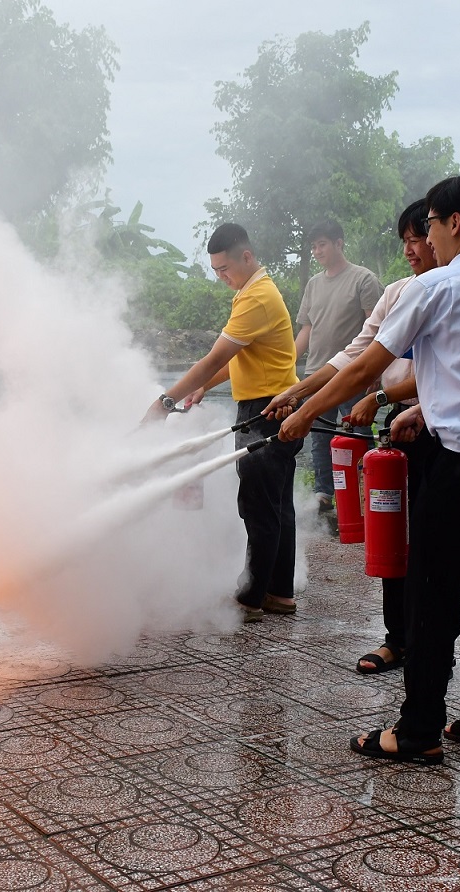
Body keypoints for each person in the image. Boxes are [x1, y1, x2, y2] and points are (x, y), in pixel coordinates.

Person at [279, 174, 460, 764]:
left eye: (429, 222)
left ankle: (419, 728)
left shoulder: (436, 287)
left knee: (432, 592)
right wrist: (426, 408)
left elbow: (364, 368)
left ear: (455, 223)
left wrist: (305, 411)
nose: (424, 234)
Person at [265, 200, 435, 675]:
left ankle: (430, 645)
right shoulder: (399, 291)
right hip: (400, 421)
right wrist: (296, 390)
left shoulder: (449, 291)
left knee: (432, 542)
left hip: (436, 422)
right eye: (404, 240)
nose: (410, 249)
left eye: (418, 237)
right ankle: (397, 639)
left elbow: (429, 374)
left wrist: (371, 398)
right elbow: (354, 353)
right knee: (391, 532)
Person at [144, 223, 303, 621]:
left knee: (258, 507)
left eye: (224, 269)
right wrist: (201, 389)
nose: (222, 278)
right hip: (275, 405)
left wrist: (164, 402)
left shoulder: (256, 298)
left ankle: (250, 598)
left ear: (246, 257)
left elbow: (214, 358)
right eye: (215, 271)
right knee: (277, 505)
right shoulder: (254, 292)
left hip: (265, 411)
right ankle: (279, 593)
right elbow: (238, 359)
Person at [294, 220, 382, 516]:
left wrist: (375, 372)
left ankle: (364, 491)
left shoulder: (363, 280)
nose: (317, 251)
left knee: (356, 433)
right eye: (314, 246)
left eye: (323, 244)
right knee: (318, 435)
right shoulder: (314, 284)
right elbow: (306, 329)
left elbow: (378, 329)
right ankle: (324, 493)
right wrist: (288, 366)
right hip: (317, 373)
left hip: (352, 373)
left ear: (339, 243)